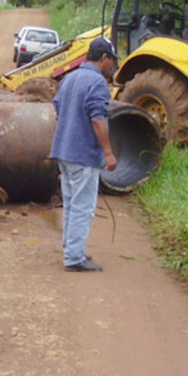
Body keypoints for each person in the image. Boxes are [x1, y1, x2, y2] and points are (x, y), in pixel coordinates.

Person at [50, 37, 119, 271]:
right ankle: (74, 258)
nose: (112, 67)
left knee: (71, 204)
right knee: (83, 206)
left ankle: (72, 251)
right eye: (112, 61)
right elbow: (98, 118)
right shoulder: (97, 83)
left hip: (64, 151)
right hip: (84, 154)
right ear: (104, 58)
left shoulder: (70, 78)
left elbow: (58, 111)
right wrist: (108, 154)